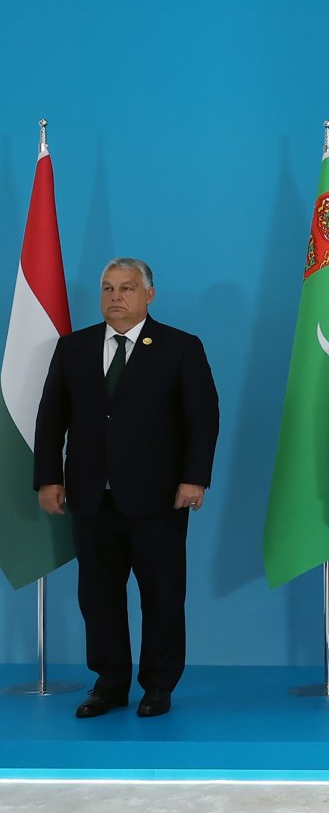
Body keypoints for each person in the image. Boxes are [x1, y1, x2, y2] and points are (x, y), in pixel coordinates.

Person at [33, 258, 218, 719]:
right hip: (91, 497)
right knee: (98, 598)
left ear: (149, 295)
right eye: (108, 288)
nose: (116, 296)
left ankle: (158, 684)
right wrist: (49, 478)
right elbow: (51, 417)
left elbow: (202, 418)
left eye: (128, 288)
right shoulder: (74, 348)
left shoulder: (180, 346)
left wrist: (194, 477)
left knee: (162, 595)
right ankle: (109, 683)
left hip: (159, 497)